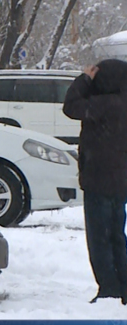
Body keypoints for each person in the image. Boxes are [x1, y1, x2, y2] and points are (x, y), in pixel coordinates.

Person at [63, 59, 127, 304]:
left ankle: (109, 289)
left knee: (99, 239)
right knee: (117, 237)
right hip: (120, 182)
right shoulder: (122, 102)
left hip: (99, 181)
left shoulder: (104, 104)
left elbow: (70, 106)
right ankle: (123, 286)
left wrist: (84, 79)